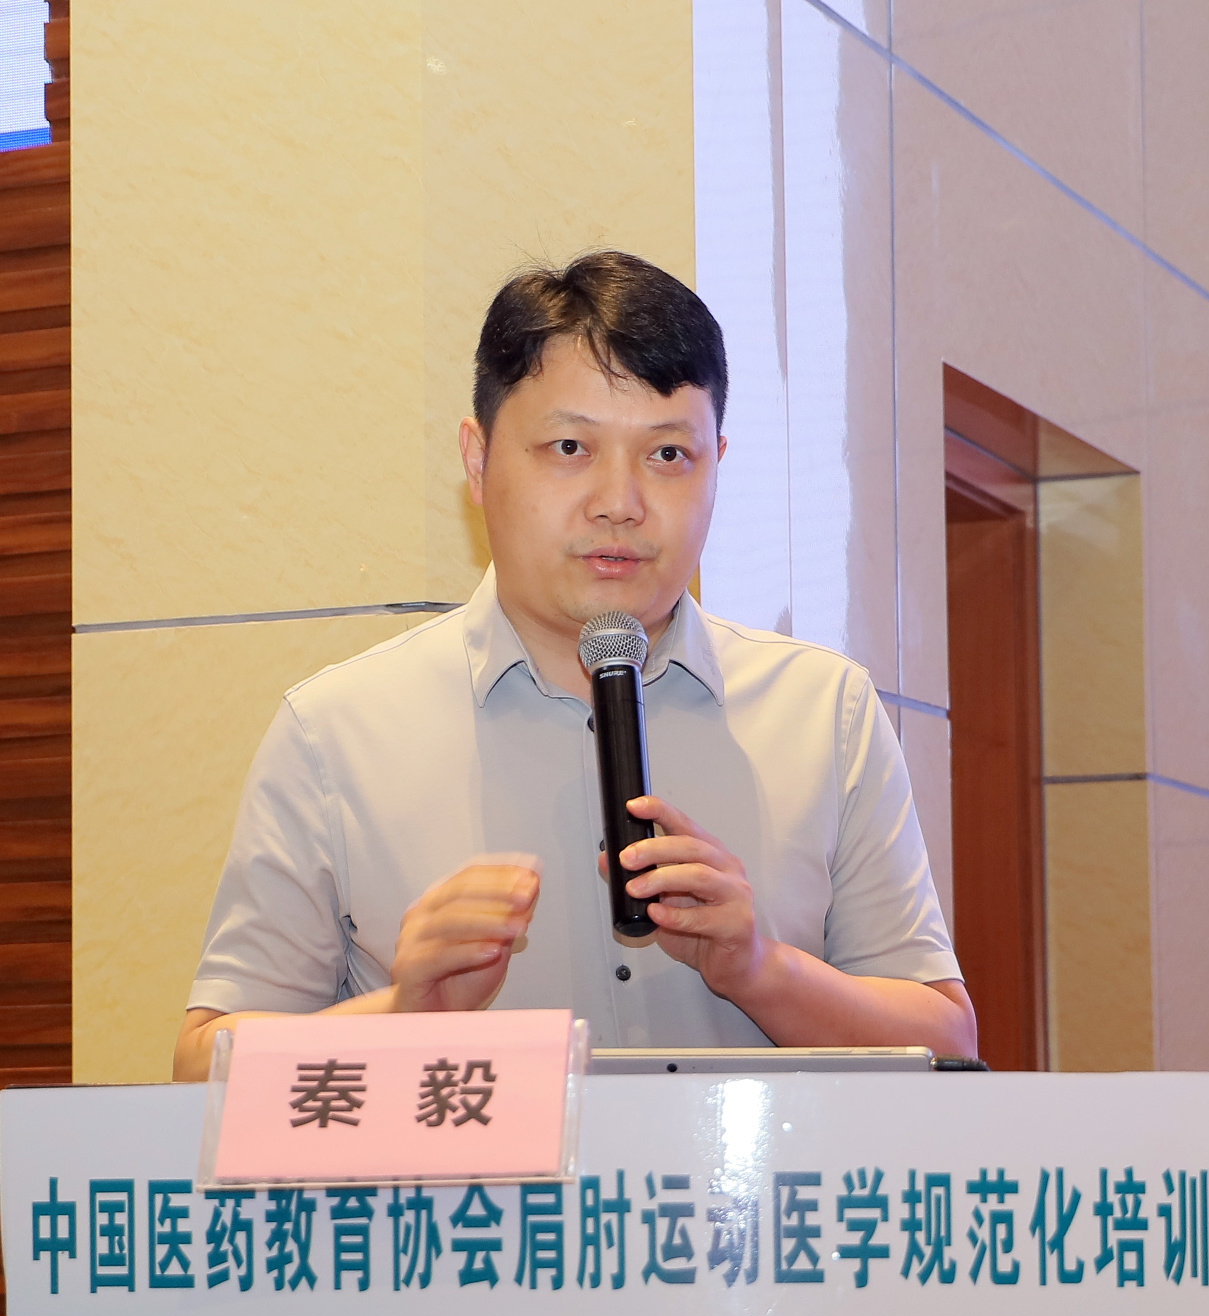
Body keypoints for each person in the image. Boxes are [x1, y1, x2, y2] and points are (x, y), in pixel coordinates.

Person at [173, 251, 976, 1081]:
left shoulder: (824, 711)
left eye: (669, 456)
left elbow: (948, 1044)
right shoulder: (336, 733)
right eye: (569, 446)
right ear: (478, 460)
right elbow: (202, 1065)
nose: (619, 503)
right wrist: (402, 1015)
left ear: (718, 466)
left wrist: (760, 970)